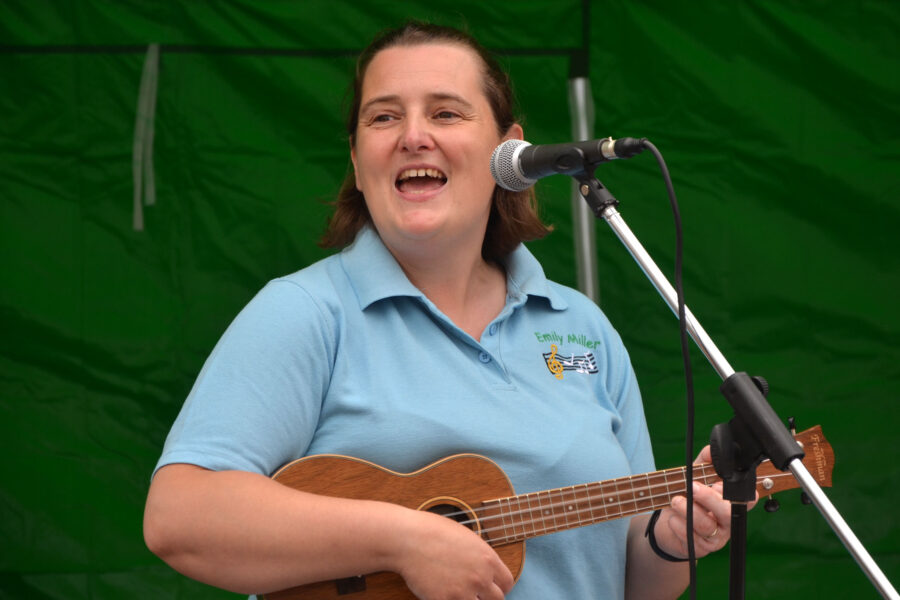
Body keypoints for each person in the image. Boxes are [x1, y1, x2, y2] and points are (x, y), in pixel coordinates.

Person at [144, 21, 743, 600]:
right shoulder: (306, 312)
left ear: (509, 151)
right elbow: (181, 516)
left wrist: (670, 543)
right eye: (383, 117)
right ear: (357, 159)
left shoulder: (582, 328)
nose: (412, 135)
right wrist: (402, 540)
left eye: (445, 112)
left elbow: (627, 581)